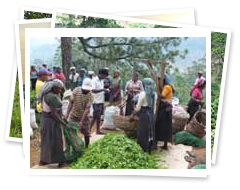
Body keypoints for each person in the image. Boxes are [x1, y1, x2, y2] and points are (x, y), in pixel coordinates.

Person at [39, 80, 66, 168]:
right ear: (54, 88)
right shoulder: (52, 97)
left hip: (45, 119)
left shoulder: (47, 94)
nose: (60, 91)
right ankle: (60, 162)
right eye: (59, 89)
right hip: (51, 121)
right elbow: (53, 114)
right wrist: (62, 122)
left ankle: (43, 161)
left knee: (46, 140)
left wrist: (62, 116)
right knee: (57, 140)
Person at [65, 78, 93, 148]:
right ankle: (70, 147)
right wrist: (67, 115)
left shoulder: (90, 96)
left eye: (87, 89)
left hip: (84, 117)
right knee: (70, 132)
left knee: (86, 133)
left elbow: (87, 109)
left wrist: (81, 121)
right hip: (74, 115)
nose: (86, 90)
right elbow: (71, 103)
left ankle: (87, 147)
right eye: (85, 89)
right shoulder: (76, 90)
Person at [131, 78, 156, 153]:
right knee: (150, 130)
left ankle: (142, 148)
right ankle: (150, 149)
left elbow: (138, 108)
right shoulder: (154, 94)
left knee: (142, 131)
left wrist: (133, 114)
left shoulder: (143, 94)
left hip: (143, 114)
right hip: (151, 114)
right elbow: (154, 106)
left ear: (144, 85)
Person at [155, 78, 173, 150]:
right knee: (164, 126)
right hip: (166, 107)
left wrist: (157, 92)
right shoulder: (167, 87)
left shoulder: (167, 87)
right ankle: (164, 144)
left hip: (165, 108)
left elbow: (162, 96)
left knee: (163, 125)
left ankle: (164, 144)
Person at [89, 69, 109, 134]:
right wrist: (103, 89)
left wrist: (104, 90)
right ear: (101, 74)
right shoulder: (94, 80)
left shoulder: (101, 80)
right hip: (96, 101)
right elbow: (93, 90)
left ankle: (97, 130)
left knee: (98, 116)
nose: (105, 77)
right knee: (95, 116)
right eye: (104, 76)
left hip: (100, 100)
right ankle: (89, 130)